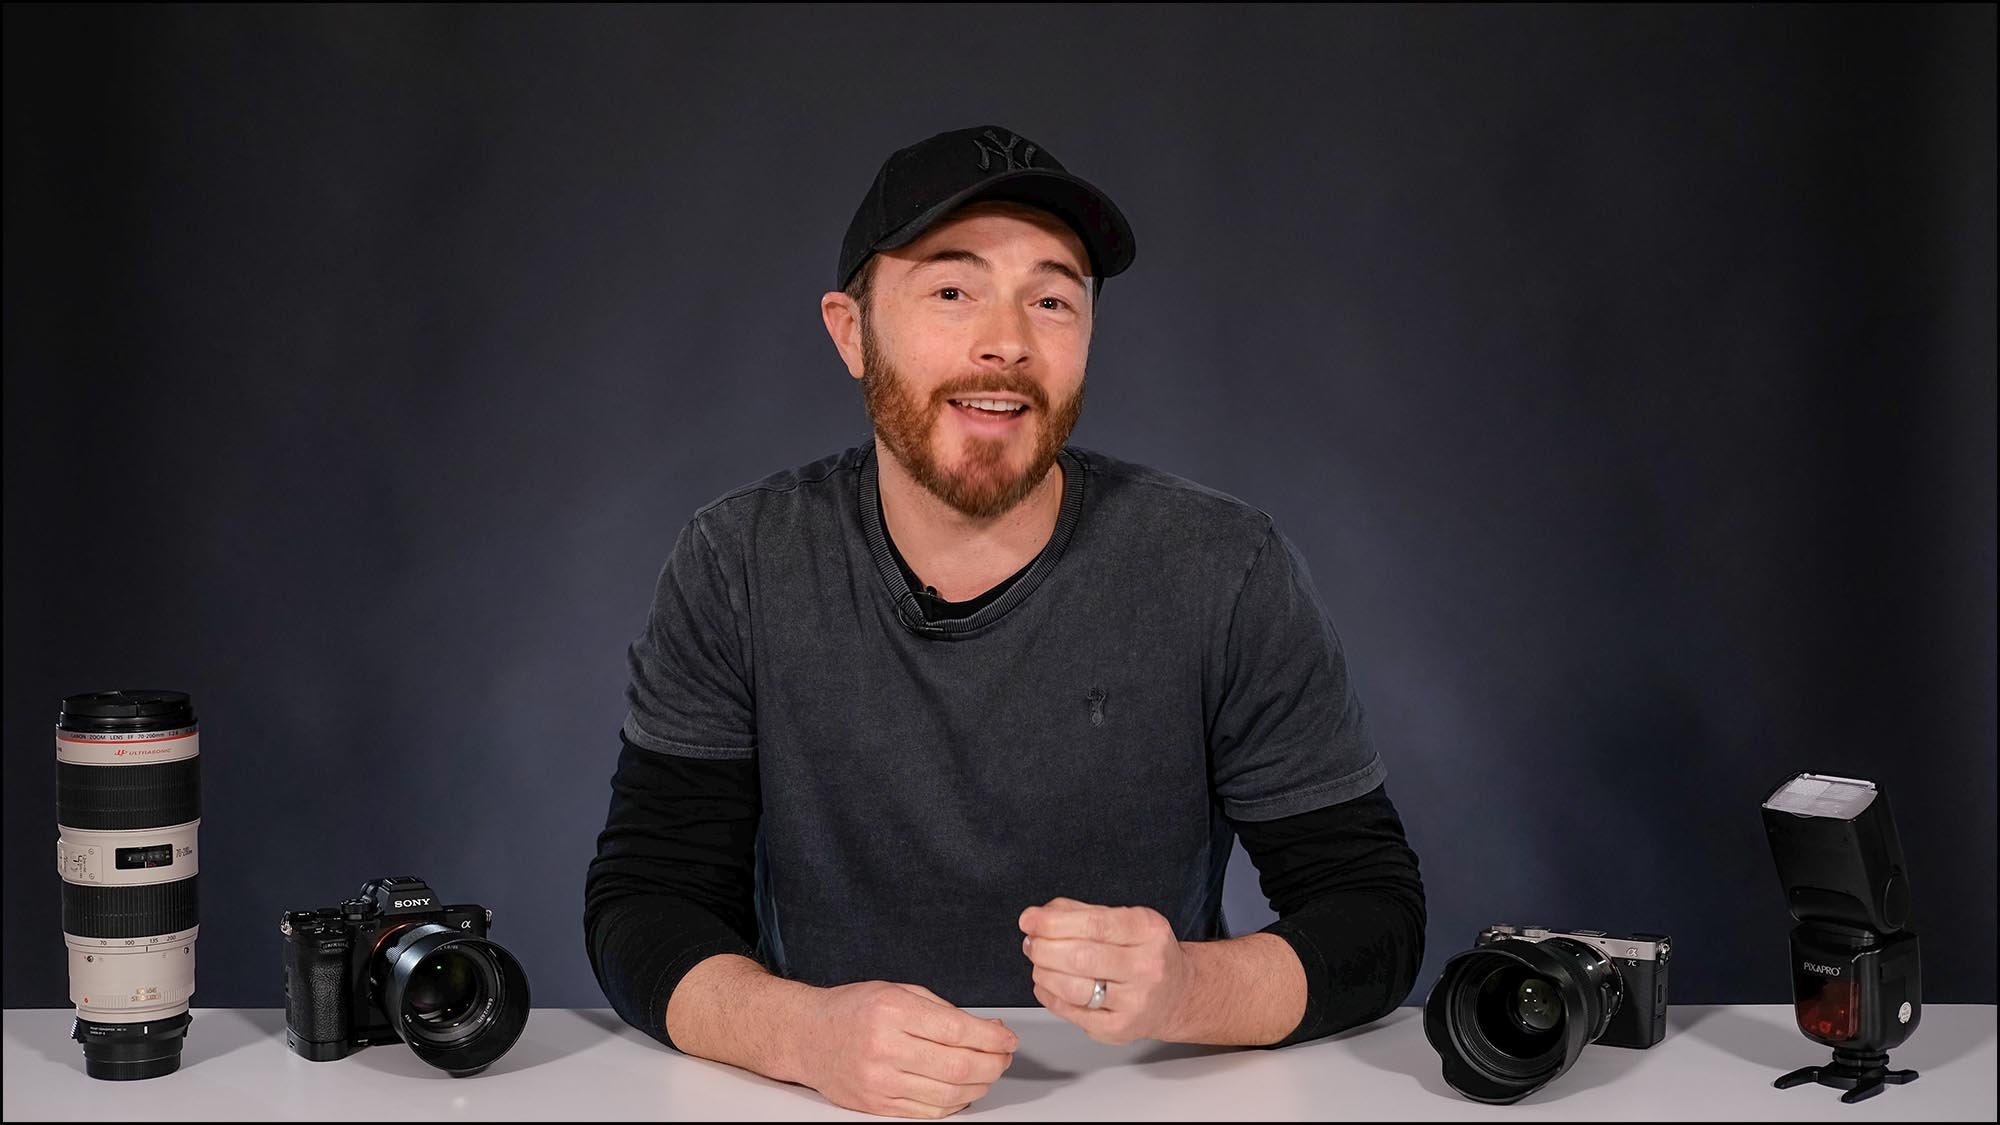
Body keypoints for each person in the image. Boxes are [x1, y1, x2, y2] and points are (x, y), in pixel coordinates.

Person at [584, 124, 1425, 1119]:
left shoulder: (1220, 567)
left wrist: (1188, 989)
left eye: (1052, 299)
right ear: (849, 331)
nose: (1008, 341)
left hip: (1136, 1099)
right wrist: (802, 1038)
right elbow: (647, 900)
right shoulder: (739, 562)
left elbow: (1371, 912)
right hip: (823, 1106)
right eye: (951, 290)